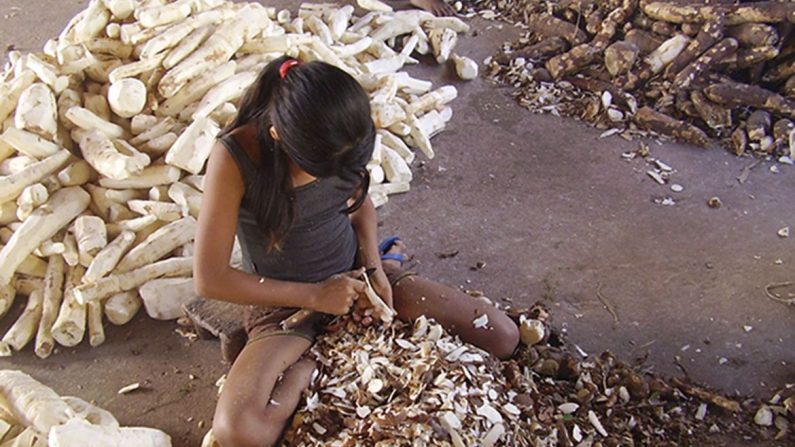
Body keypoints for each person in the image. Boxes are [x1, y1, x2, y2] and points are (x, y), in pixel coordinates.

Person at [193, 56, 519, 447]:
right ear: (278, 135)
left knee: (503, 337)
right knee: (238, 433)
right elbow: (209, 278)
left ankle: (379, 276)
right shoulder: (234, 156)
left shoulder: (339, 134)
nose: (337, 179)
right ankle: (315, 364)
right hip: (285, 307)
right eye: (323, 171)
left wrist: (374, 266)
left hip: (358, 280)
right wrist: (315, 296)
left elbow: (359, 203)